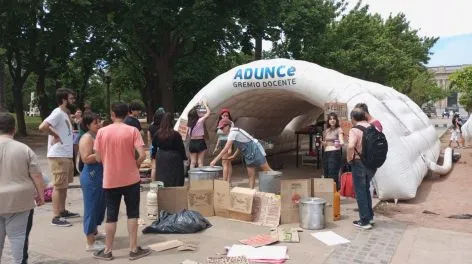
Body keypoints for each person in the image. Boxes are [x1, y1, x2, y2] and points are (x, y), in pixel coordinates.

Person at [93, 102, 150, 261]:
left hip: (110, 179)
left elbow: (97, 157)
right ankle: (133, 249)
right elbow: (143, 154)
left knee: (111, 215)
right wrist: (135, 164)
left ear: (112, 114)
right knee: (133, 213)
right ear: (126, 114)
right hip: (131, 178)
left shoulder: (102, 132)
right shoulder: (132, 131)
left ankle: (107, 250)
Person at [0, 113, 45, 263]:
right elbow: (37, 176)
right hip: (20, 200)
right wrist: (41, 194)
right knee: (18, 237)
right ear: (14, 129)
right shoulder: (24, 149)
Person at [39, 88, 80, 227]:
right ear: (64, 100)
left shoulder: (64, 114)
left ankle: (62, 211)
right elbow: (43, 126)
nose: (73, 100)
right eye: (71, 98)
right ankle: (55, 216)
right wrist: (55, 135)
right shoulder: (57, 113)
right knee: (58, 186)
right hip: (58, 155)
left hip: (66, 155)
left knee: (64, 185)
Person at [211, 119, 271, 189]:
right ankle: (251, 193)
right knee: (250, 175)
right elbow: (240, 145)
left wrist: (215, 160)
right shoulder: (232, 133)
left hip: (255, 149)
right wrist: (234, 155)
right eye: (220, 128)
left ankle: (277, 189)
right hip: (247, 153)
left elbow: (225, 148)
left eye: (222, 127)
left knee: (268, 171)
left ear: (227, 126)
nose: (221, 129)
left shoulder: (233, 133)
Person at [79, 113, 106, 252]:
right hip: (91, 176)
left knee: (99, 205)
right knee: (91, 206)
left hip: (99, 175)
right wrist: (103, 155)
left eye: (99, 122)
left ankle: (95, 231)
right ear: (88, 125)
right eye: (96, 123)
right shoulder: (87, 137)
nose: (99, 124)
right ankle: (90, 241)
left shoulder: (96, 136)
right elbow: (85, 158)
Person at [347, 108, 374, 230]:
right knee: (366, 189)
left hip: (359, 162)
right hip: (371, 162)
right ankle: (370, 216)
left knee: (360, 191)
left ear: (353, 118)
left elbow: (351, 145)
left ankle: (364, 221)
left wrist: (349, 158)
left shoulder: (355, 130)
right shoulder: (371, 127)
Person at [152, 112, 187, 187]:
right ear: (172, 121)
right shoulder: (176, 134)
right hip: (174, 157)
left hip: (161, 156)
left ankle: (163, 193)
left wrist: (153, 156)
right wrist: (184, 157)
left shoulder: (157, 133)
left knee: (162, 176)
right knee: (175, 177)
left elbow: (153, 147)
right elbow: (181, 147)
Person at [322, 112, 344, 190]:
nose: (332, 120)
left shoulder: (339, 129)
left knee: (333, 174)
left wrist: (337, 143)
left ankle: (334, 193)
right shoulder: (326, 130)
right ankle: (328, 193)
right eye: (330, 119)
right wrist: (323, 143)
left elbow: (342, 142)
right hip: (326, 153)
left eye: (334, 119)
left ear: (336, 120)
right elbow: (325, 144)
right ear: (328, 121)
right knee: (326, 173)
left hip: (334, 153)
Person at [214, 108, 235, 182]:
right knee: (227, 163)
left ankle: (225, 182)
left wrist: (230, 148)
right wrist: (217, 146)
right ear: (221, 116)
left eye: (227, 116)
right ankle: (228, 181)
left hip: (228, 142)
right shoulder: (220, 123)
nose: (226, 117)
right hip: (222, 143)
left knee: (225, 163)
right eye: (224, 115)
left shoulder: (230, 123)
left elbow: (232, 135)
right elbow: (219, 137)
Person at [187, 101, 210, 168]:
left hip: (192, 142)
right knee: (200, 162)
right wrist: (206, 105)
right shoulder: (200, 121)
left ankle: (192, 177)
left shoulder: (189, 124)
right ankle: (200, 178)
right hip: (200, 142)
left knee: (193, 162)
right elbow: (208, 113)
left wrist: (195, 106)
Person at [148, 108, 165, 181]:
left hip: (153, 147)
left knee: (154, 167)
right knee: (163, 166)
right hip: (162, 148)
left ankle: (153, 183)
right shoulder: (164, 127)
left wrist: (150, 148)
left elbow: (149, 139)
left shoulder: (151, 127)